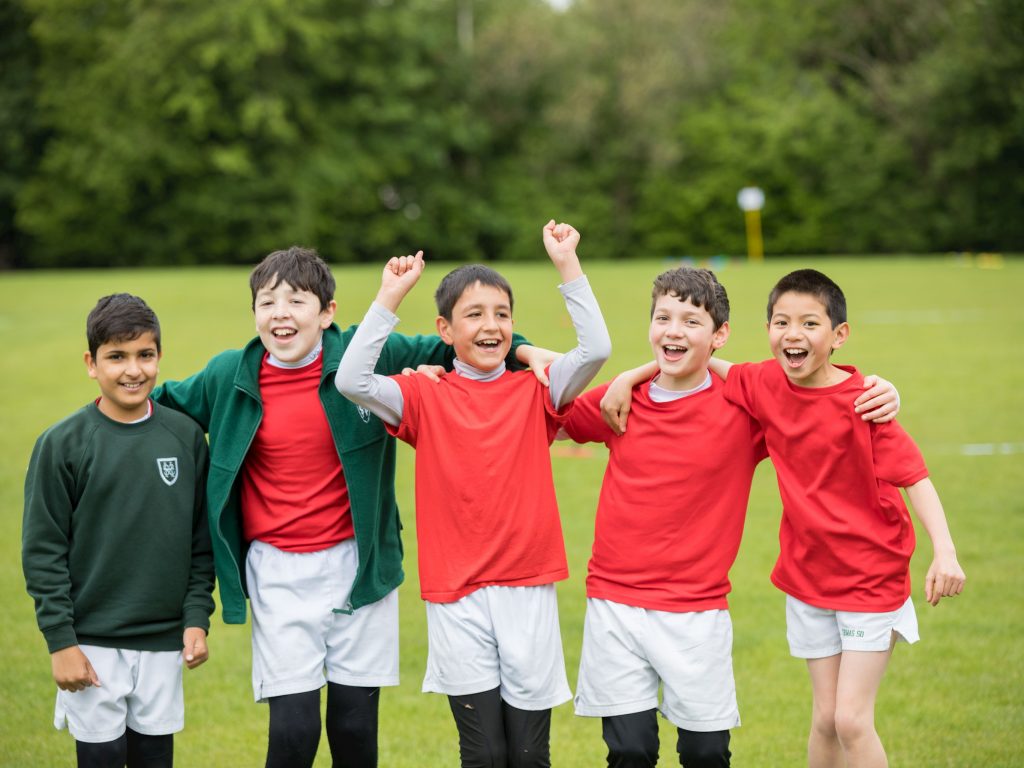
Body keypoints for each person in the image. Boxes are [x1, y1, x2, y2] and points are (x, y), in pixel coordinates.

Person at [151, 246, 541, 768]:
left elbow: (465, 342)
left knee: (355, 730)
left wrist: (527, 351)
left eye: (296, 301)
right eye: (267, 303)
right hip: (278, 571)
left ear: (327, 312)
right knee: (293, 732)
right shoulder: (229, 375)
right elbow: (161, 408)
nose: (280, 314)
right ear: (255, 315)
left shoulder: (367, 352)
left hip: (359, 567)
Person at [586, 269, 904, 768]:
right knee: (630, 751)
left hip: (698, 609)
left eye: (691, 321)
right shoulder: (618, 401)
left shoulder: (744, 407)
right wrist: (625, 375)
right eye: (663, 318)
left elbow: (817, 394)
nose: (673, 330)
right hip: (615, 603)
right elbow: (549, 412)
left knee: (707, 754)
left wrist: (884, 390)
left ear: (720, 335)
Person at [336, 220, 612, 768]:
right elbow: (351, 380)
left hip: (526, 588)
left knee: (530, 755)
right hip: (455, 594)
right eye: (475, 314)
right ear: (444, 328)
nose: (492, 326)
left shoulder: (537, 388)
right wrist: (389, 297)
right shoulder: (422, 392)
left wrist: (567, 265)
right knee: (483, 753)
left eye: (502, 314)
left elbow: (597, 348)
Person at [708, 268, 965, 768]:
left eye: (809, 323)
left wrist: (946, 552)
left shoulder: (866, 402)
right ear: (768, 331)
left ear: (838, 335)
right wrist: (631, 377)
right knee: (825, 718)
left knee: (851, 719)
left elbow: (916, 477)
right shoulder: (763, 381)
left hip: (871, 579)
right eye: (781, 322)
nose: (793, 334)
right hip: (807, 578)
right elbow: (704, 362)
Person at [23, 293, 214, 768]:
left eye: (144, 355)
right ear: (91, 363)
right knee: (101, 759)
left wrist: (195, 617)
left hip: (163, 641)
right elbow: (43, 551)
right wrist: (61, 642)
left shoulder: (185, 437)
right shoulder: (61, 444)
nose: (133, 370)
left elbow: (200, 542)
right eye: (116, 357)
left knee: (155, 757)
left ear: (158, 357)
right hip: (91, 643)